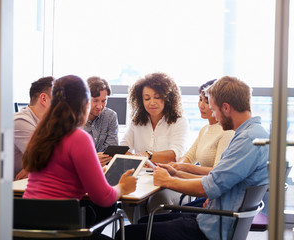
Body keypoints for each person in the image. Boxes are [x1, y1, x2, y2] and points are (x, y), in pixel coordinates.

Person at [115, 76, 270, 240]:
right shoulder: (253, 134)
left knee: (126, 234)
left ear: (225, 107)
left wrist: (166, 181)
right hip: (215, 214)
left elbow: (207, 187)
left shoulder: (246, 140)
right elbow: (217, 178)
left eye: (214, 109)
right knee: (144, 221)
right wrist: (176, 173)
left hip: (211, 226)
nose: (215, 117)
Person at [22, 75, 137, 239]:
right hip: (61, 230)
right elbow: (104, 198)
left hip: (28, 228)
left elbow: (57, 176)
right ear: (84, 104)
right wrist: (123, 187)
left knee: (90, 214)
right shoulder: (78, 138)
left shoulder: (41, 133)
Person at [120, 72, 190, 222]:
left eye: (157, 97)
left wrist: (148, 155)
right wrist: (132, 158)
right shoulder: (136, 121)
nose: (152, 102)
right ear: (140, 99)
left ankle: (152, 233)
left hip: (170, 178)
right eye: (147, 98)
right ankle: (140, 232)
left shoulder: (179, 121)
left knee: (158, 201)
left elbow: (175, 153)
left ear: (168, 97)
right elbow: (123, 147)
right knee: (128, 198)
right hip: (142, 178)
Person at [168, 80, 234, 178]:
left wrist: (186, 168)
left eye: (207, 102)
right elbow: (189, 156)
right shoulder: (204, 129)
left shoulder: (227, 132)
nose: (201, 105)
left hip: (210, 188)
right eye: (200, 99)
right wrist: (176, 166)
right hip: (201, 183)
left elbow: (217, 171)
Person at [14, 76, 54, 180]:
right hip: (9, 190)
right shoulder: (20, 121)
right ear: (44, 99)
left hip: (28, 184)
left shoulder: (47, 123)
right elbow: (47, 161)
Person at [84, 76, 119, 166]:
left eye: (103, 101)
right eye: (95, 101)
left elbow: (111, 151)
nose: (100, 106)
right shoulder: (73, 118)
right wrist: (92, 159)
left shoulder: (110, 116)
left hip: (104, 168)